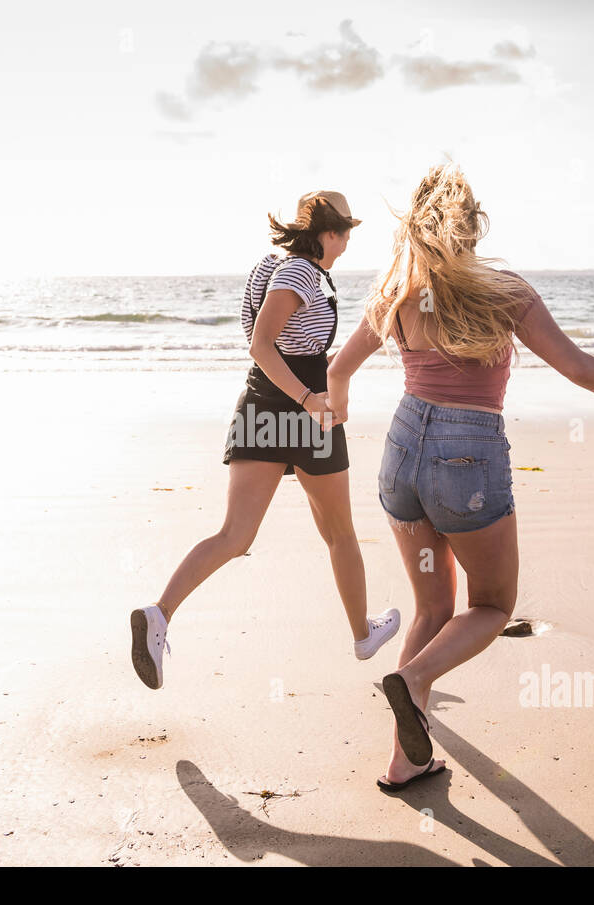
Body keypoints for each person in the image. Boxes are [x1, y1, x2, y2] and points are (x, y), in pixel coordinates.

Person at [326, 164, 594, 790]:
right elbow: (573, 365)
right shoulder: (505, 290)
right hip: (467, 455)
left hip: (401, 452)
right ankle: (413, 680)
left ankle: (406, 759)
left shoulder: (396, 292)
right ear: (473, 226)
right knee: (491, 604)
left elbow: (340, 368)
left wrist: (338, 407)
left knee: (433, 604)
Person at [131, 190, 401, 690]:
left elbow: (266, 342)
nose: (348, 240)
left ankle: (160, 615)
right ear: (328, 233)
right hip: (300, 413)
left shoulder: (274, 265)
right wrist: (309, 399)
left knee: (235, 536)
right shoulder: (299, 273)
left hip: (262, 408)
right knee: (340, 534)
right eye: (346, 230)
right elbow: (261, 343)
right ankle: (363, 635)